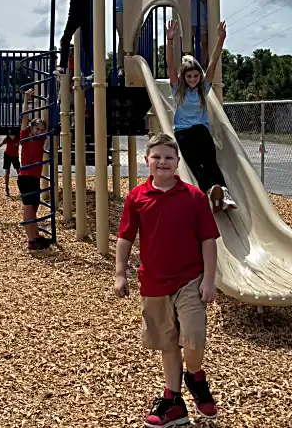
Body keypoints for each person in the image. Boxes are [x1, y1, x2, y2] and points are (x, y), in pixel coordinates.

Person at [114, 132, 221, 425]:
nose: (162, 162)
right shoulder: (137, 197)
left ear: (177, 162)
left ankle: (196, 377)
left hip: (190, 280)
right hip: (154, 283)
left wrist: (208, 280)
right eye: (157, 157)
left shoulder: (194, 197)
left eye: (169, 157)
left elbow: (209, 240)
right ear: (147, 160)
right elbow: (125, 237)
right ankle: (173, 401)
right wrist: (120, 273)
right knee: (168, 343)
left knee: (194, 338)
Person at [165, 18, 236, 213]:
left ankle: (222, 191)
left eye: (196, 76)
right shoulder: (178, 90)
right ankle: (209, 191)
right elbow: (170, 65)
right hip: (182, 132)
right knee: (195, 163)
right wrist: (169, 41)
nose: (193, 79)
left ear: (200, 77)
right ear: (183, 76)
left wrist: (220, 40)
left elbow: (212, 64)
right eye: (189, 76)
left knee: (210, 160)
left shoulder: (203, 89)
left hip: (200, 130)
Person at [17, 89, 50, 251]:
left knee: (34, 207)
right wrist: (26, 99)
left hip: (34, 178)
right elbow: (24, 117)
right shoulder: (25, 137)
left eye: (41, 129)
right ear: (31, 129)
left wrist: (50, 100)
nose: (39, 131)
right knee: (29, 207)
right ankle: (31, 240)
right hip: (26, 177)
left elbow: (47, 120)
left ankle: (35, 235)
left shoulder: (40, 141)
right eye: (36, 128)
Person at [0, 128, 21, 196]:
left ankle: (21, 188)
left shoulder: (18, 139)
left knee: (19, 172)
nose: (11, 136)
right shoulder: (7, 139)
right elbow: (0, 145)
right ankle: (7, 188)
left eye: (13, 135)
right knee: (7, 172)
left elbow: (24, 145)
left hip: (15, 156)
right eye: (10, 135)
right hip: (7, 155)